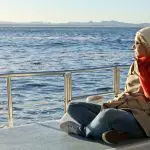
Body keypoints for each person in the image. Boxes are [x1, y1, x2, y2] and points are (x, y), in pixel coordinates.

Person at [60, 27, 150, 144]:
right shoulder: (136, 64)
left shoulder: (143, 66)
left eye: (137, 43)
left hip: (142, 119)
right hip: (123, 108)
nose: (133, 47)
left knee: (108, 115)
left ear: (147, 45)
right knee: (73, 107)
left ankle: (83, 131)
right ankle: (116, 132)